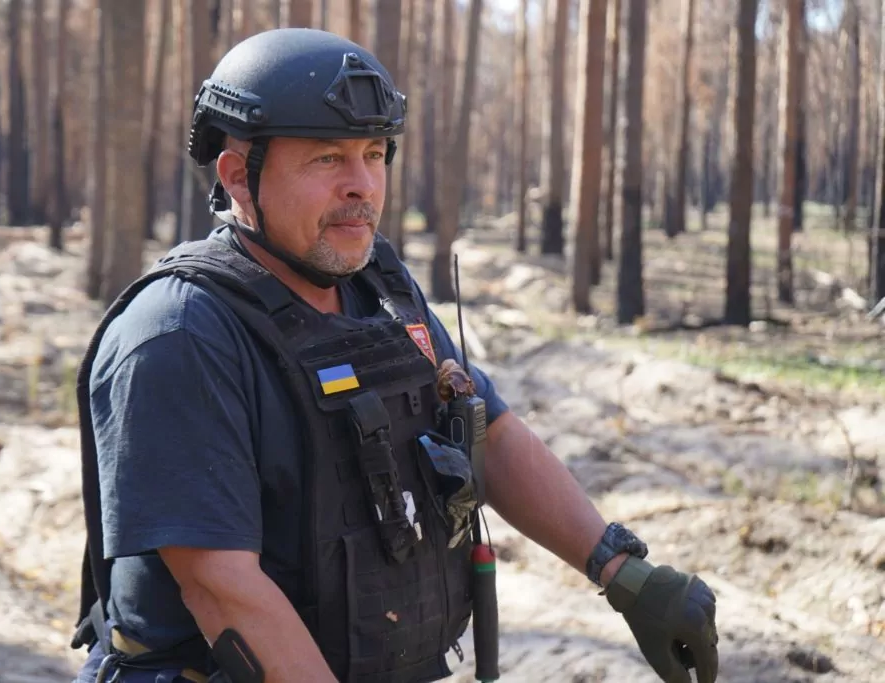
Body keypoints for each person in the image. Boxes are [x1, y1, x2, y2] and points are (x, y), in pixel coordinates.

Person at [70, 28, 719, 683]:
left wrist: (620, 569)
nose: (363, 186)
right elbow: (221, 587)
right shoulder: (181, 334)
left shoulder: (376, 289)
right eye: (328, 158)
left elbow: (489, 432)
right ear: (239, 175)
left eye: (374, 154)